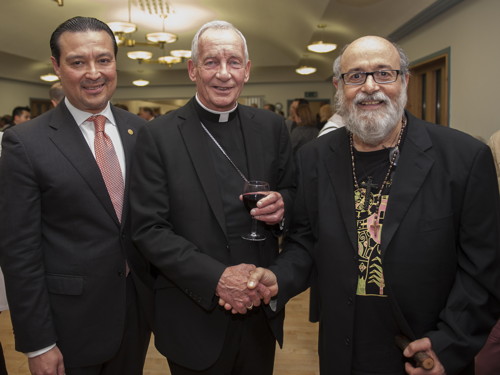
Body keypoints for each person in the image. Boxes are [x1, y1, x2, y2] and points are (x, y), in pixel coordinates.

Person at [246, 35, 500, 375]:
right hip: (342, 347)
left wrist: (450, 342)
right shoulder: (314, 158)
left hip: (423, 350)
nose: (369, 87)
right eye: (355, 76)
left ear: (404, 80)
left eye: (384, 73)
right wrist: (279, 277)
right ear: (339, 87)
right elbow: (305, 241)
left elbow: (483, 267)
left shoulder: (463, 159)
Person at [130, 20, 294, 375]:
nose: (224, 74)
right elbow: (148, 228)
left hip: (258, 310)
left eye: (234, 62)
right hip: (193, 313)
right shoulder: (157, 136)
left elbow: (294, 196)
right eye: (211, 62)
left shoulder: (272, 128)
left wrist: (284, 208)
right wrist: (216, 278)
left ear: (247, 71)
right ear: (192, 69)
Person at [0, 16, 153, 375]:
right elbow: (19, 252)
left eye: (103, 59)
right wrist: (38, 342)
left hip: (135, 313)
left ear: (116, 62)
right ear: (56, 66)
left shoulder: (142, 132)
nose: (94, 73)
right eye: (78, 62)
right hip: (68, 323)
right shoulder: (25, 143)